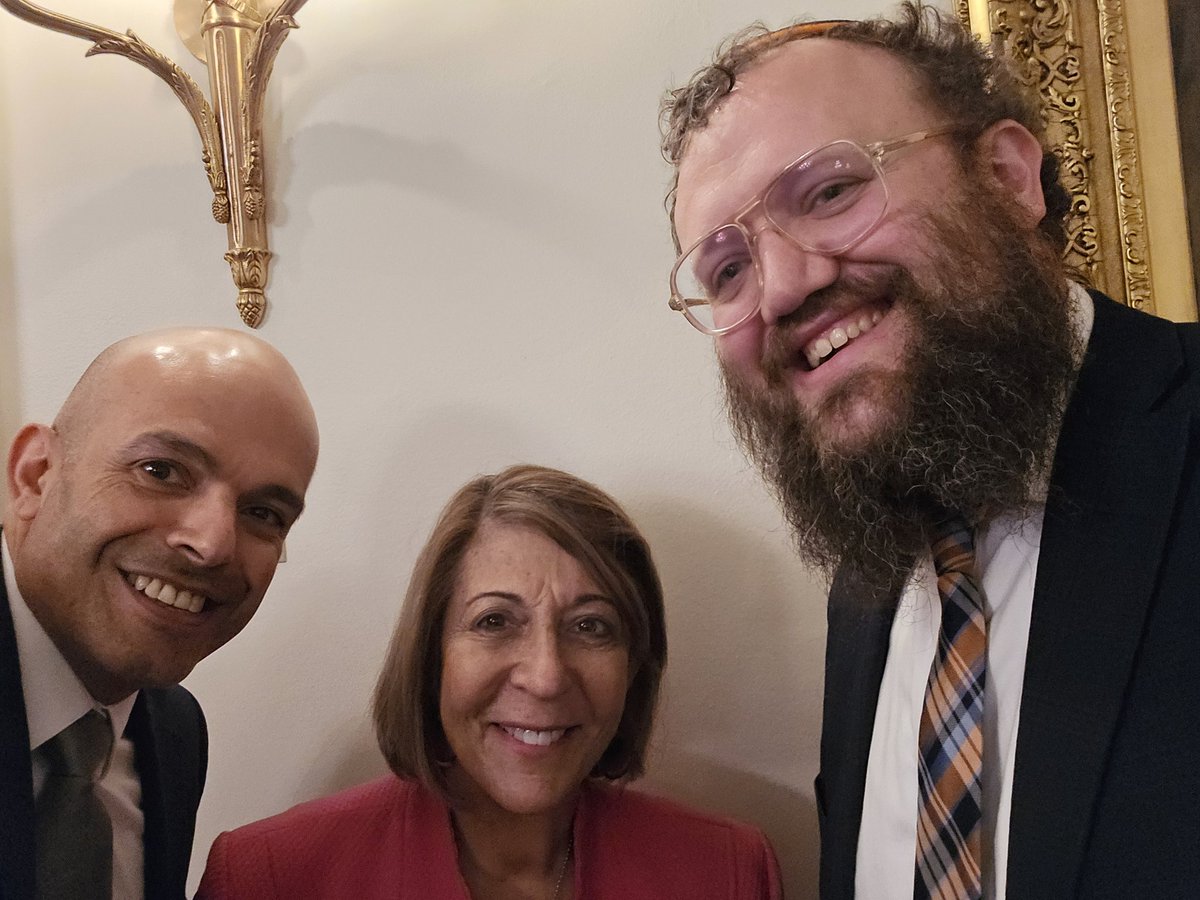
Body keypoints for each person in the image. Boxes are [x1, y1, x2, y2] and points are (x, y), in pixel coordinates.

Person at [661, 4, 1199, 900]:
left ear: (1005, 176)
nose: (786, 287)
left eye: (830, 190)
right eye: (727, 270)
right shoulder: (871, 583)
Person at [196, 464, 782, 899]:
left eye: (591, 626)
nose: (546, 677)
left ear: (635, 666)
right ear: (432, 656)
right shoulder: (269, 878)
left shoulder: (726, 873)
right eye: (494, 621)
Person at [1, 327, 320, 900]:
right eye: (161, 471)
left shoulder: (175, 734)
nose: (213, 542)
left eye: (264, 513)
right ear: (35, 475)